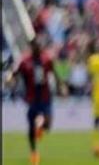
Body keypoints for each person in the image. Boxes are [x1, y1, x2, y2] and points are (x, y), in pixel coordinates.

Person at [11, 37, 59, 165]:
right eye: (35, 46)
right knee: (31, 127)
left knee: (48, 124)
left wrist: (61, 86)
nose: (38, 48)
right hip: (31, 98)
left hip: (45, 97)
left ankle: (41, 126)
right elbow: (16, 74)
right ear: (31, 48)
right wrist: (11, 79)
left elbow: (54, 73)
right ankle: (34, 153)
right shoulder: (25, 61)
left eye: (39, 46)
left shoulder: (46, 60)